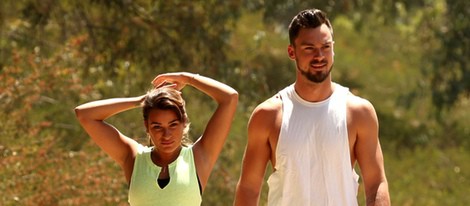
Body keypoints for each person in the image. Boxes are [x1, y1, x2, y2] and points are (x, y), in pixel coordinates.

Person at [234, 8, 390, 206]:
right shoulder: (268, 116)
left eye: (325, 47)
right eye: (309, 48)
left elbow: (376, 183)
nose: (319, 56)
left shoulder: (358, 112)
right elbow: (249, 188)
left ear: (333, 48)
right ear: (292, 52)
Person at [75, 72, 238, 205]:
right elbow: (84, 114)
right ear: (147, 126)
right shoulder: (133, 157)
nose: (166, 135)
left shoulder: (199, 157)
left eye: (173, 125)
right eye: (157, 127)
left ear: (184, 122)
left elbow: (230, 98)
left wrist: (188, 78)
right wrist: (140, 101)